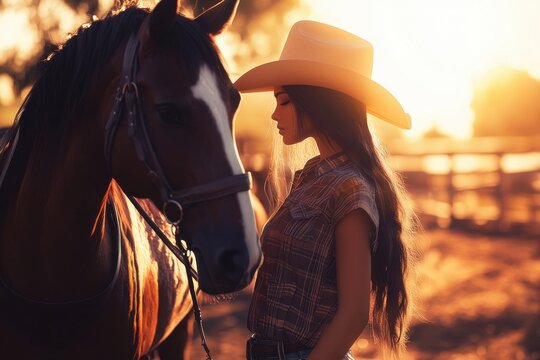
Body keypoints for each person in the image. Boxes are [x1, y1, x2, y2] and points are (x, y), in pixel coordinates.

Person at [235, 20, 418, 360]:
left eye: (284, 101)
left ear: (318, 102)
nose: (274, 114)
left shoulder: (348, 187)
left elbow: (354, 314)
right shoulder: (311, 179)